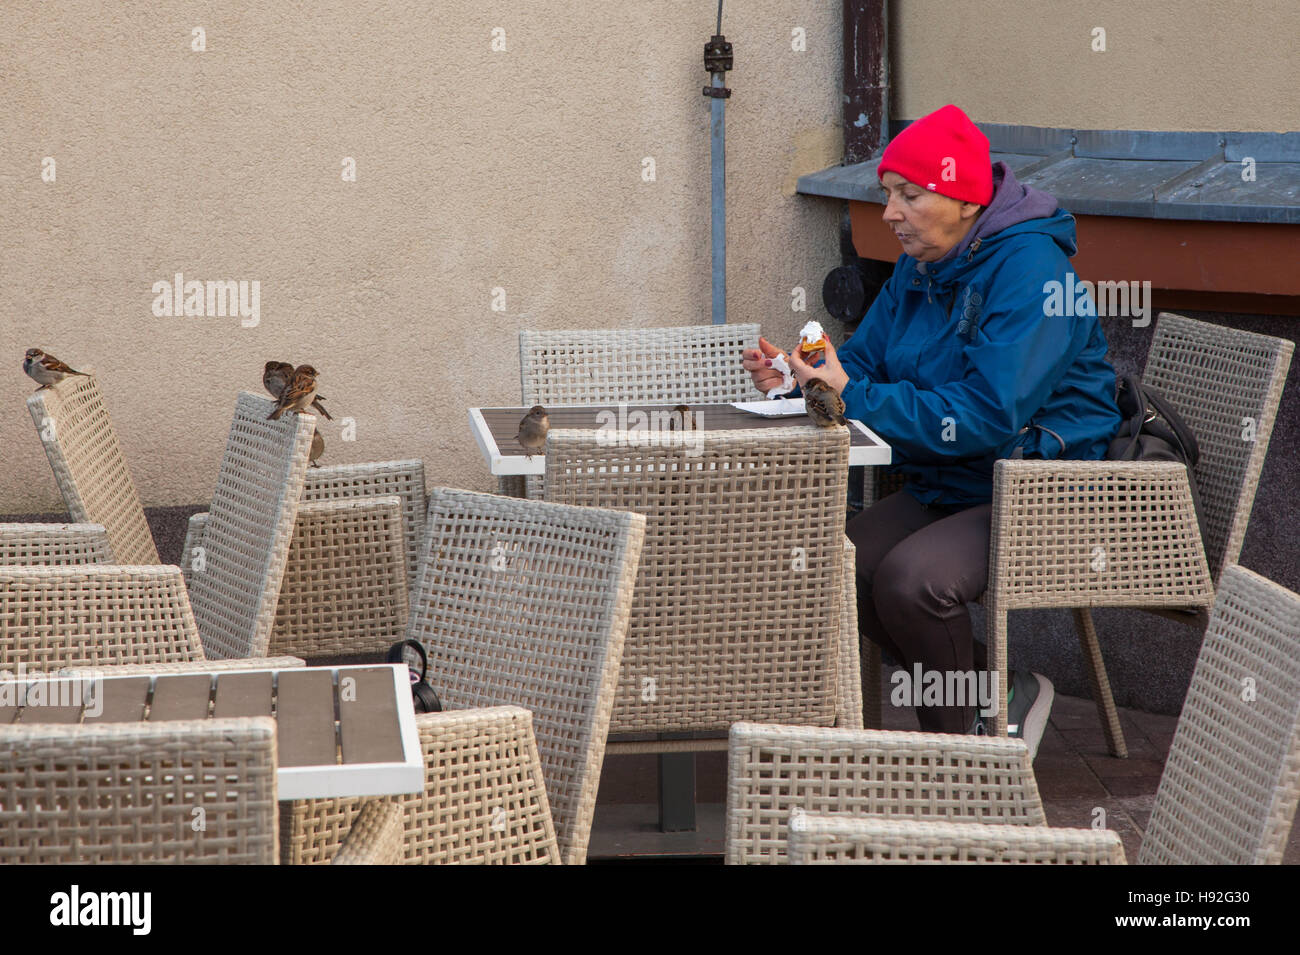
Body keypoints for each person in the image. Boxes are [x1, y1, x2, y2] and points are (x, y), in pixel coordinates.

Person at [742, 104, 1121, 757]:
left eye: (908, 195)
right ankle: (997, 694)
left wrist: (853, 393)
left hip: (1041, 484)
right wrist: (800, 378)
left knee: (911, 582)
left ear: (966, 200)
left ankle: (966, 761)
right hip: (959, 478)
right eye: (888, 194)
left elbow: (986, 412)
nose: (889, 212)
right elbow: (860, 364)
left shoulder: (1032, 273)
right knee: (836, 565)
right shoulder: (921, 267)